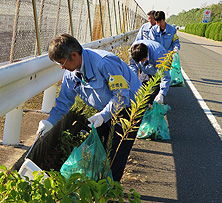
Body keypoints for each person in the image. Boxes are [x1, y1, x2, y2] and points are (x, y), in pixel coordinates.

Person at [37, 34, 142, 182]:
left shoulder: (104, 63)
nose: (61, 67)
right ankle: (95, 185)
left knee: (115, 153)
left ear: (74, 55)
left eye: (62, 62)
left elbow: (121, 97)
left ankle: (109, 191)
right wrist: (50, 122)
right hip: (105, 109)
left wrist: (103, 116)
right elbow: (63, 103)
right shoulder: (71, 74)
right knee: (94, 147)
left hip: (130, 106)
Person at [129, 39, 171, 104]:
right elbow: (133, 66)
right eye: (139, 61)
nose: (141, 62)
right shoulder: (134, 51)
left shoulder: (159, 55)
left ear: (147, 53)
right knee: (140, 92)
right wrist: (133, 81)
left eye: (142, 60)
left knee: (151, 97)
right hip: (145, 70)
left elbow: (165, 75)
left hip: (157, 73)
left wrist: (162, 93)